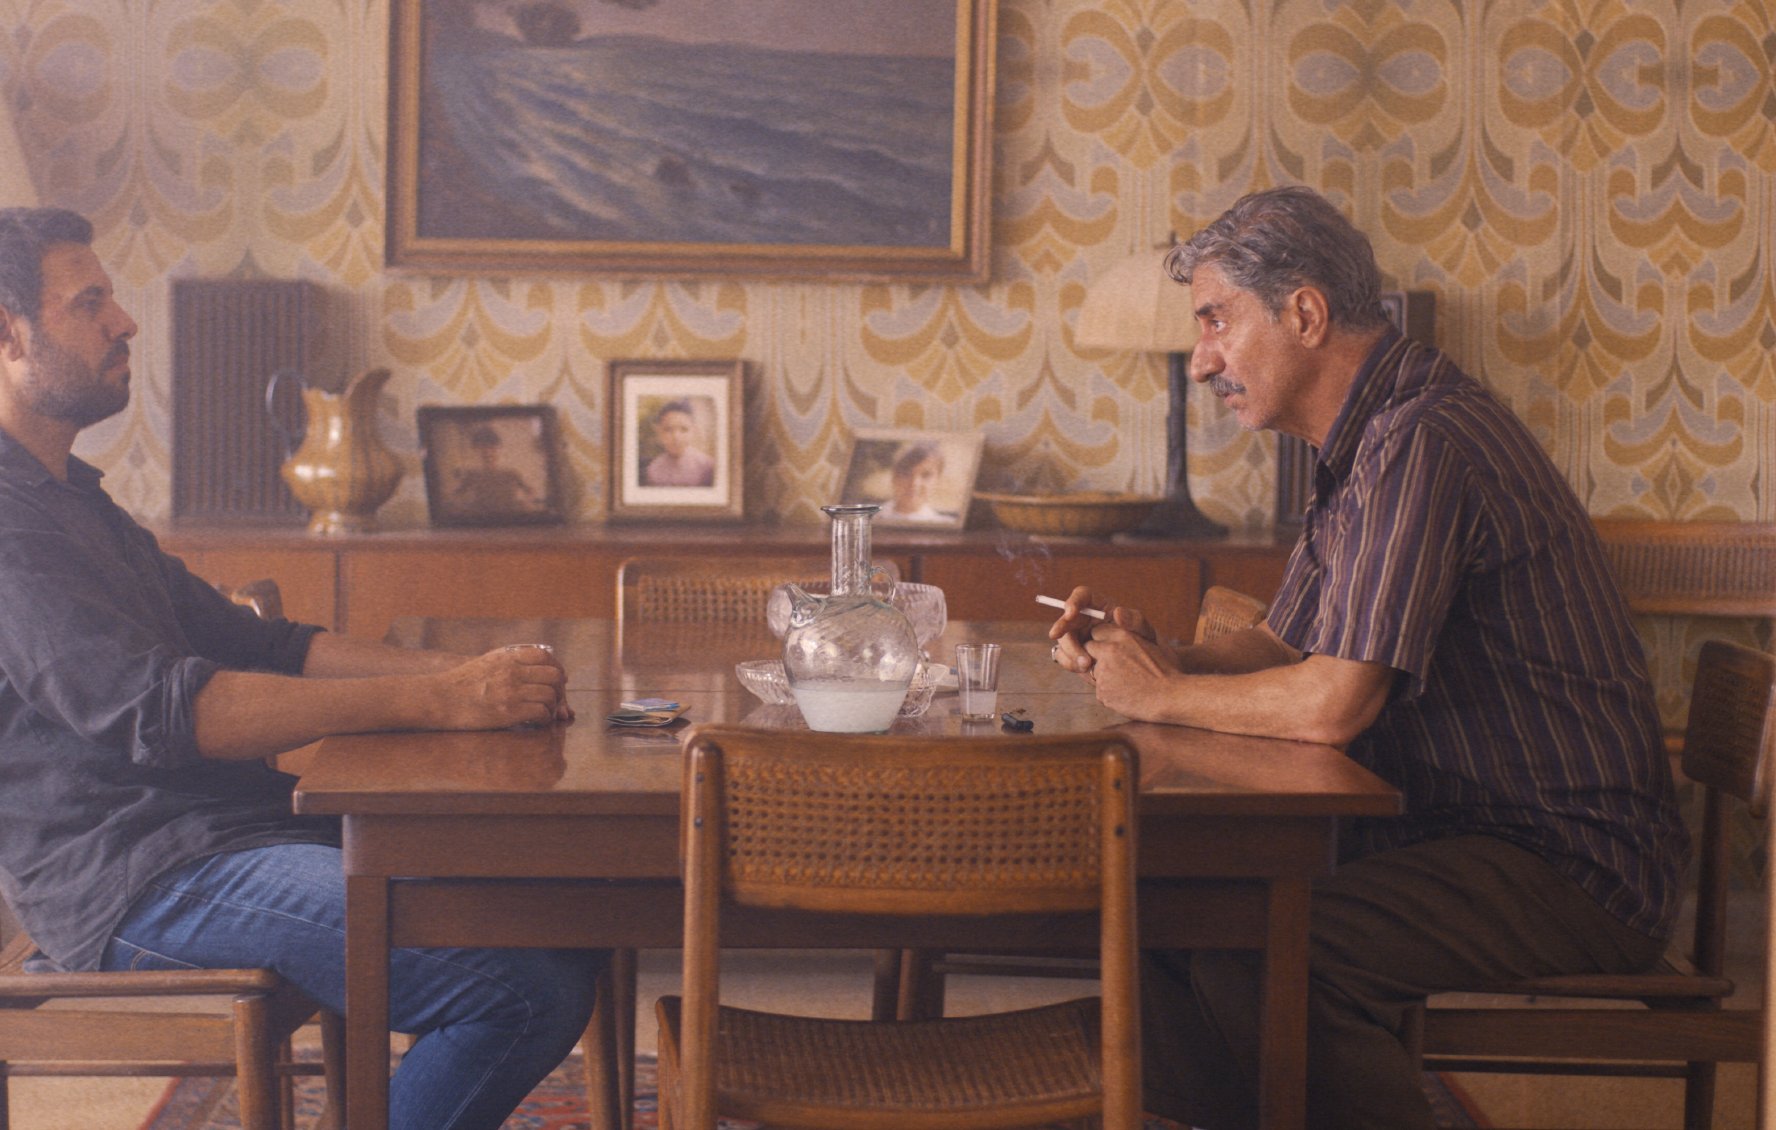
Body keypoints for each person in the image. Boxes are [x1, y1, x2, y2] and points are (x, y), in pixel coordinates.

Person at [1046, 186, 1686, 1130]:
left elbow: (1330, 705)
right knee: (1169, 918)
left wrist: (1168, 693)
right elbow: (1288, 646)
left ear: (1304, 314)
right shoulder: (1367, 444)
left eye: (1216, 321)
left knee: (1271, 954)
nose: (1202, 360)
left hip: (1566, 857)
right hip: (1462, 831)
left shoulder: (1424, 441)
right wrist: (1162, 653)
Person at [0, 207, 602, 1130]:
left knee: (561, 927)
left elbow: (267, 646)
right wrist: (436, 701)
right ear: (11, 335)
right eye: (91, 303)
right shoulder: (10, 524)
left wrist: (473, 672)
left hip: (226, 830)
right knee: (520, 991)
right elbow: (170, 712)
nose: (124, 321)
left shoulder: (75, 501)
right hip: (138, 874)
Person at [451, 422, 542, 516]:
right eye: (482, 447)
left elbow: (530, 490)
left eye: (491, 447)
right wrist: (463, 507)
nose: (487, 451)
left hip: (510, 518)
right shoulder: (472, 474)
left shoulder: (511, 473)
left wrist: (527, 503)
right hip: (483, 521)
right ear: (476, 449)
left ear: (498, 447)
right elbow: (456, 494)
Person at [642, 398, 715, 486]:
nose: (676, 437)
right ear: (659, 433)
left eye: (684, 429)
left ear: (693, 431)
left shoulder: (707, 467)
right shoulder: (654, 469)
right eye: (668, 430)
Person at [876, 442, 953, 523]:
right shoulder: (870, 519)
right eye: (907, 474)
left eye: (926, 475)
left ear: (937, 481)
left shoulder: (943, 525)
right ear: (894, 477)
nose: (914, 483)